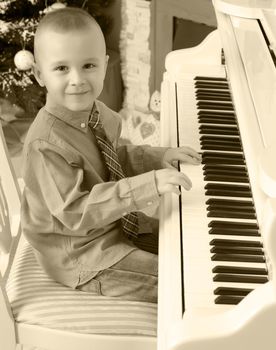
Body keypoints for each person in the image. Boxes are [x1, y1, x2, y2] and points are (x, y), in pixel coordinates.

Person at [21, 7, 201, 304]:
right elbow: (76, 213)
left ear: (105, 65)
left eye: (88, 65)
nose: (78, 79)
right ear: (40, 75)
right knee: (182, 282)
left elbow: (114, 157)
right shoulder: (45, 144)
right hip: (83, 254)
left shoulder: (96, 112)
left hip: (114, 223)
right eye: (62, 68)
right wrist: (148, 185)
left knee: (191, 241)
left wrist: (160, 156)